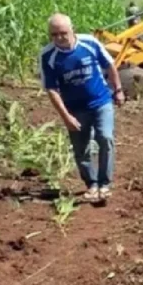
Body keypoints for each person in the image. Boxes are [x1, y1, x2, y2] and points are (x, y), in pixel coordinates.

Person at [38, 13, 125, 202]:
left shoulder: (89, 43)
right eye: (54, 34)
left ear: (72, 30)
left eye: (63, 33)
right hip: (75, 108)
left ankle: (105, 184)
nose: (59, 38)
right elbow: (51, 89)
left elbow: (110, 65)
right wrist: (66, 117)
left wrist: (118, 90)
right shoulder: (48, 56)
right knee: (81, 149)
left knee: (105, 137)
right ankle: (92, 184)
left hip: (101, 101)